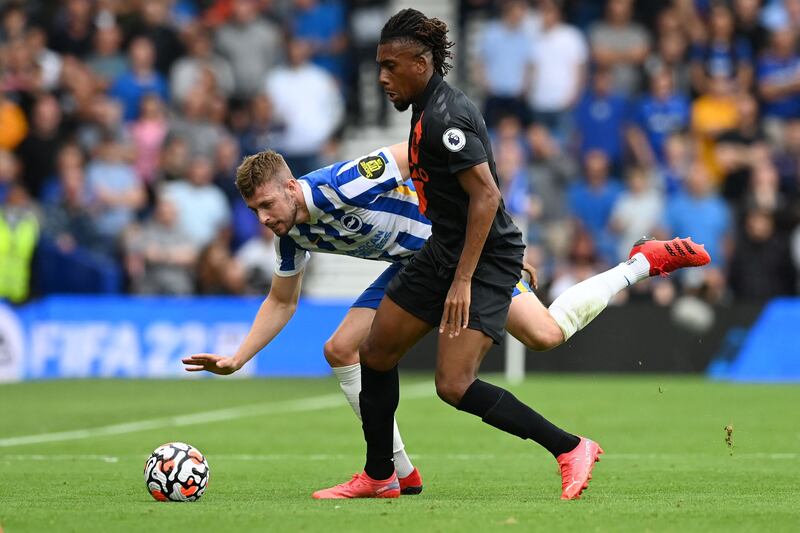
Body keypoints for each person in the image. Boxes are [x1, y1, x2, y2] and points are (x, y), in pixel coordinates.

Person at [309, 9, 710, 500]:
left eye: (391, 66)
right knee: (374, 352)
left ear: (421, 63)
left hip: (476, 262)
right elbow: (467, 197)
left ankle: (569, 446)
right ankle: (380, 475)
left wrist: (468, 277)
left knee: (454, 384)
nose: (382, 77)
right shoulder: (423, 108)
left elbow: (487, 197)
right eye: (379, 66)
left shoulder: (445, 118)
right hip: (445, 250)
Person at [182, 139, 711, 497]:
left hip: (463, 254)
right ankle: (392, 475)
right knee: (341, 349)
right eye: (254, 211)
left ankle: (642, 262)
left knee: (545, 334)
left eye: (267, 205)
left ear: (291, 185)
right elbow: (281, 301)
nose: (263, 218)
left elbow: (409, 152)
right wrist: (237, 358)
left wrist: (483, 223)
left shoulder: (342, 182)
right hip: (413, 270)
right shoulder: (291, 232)